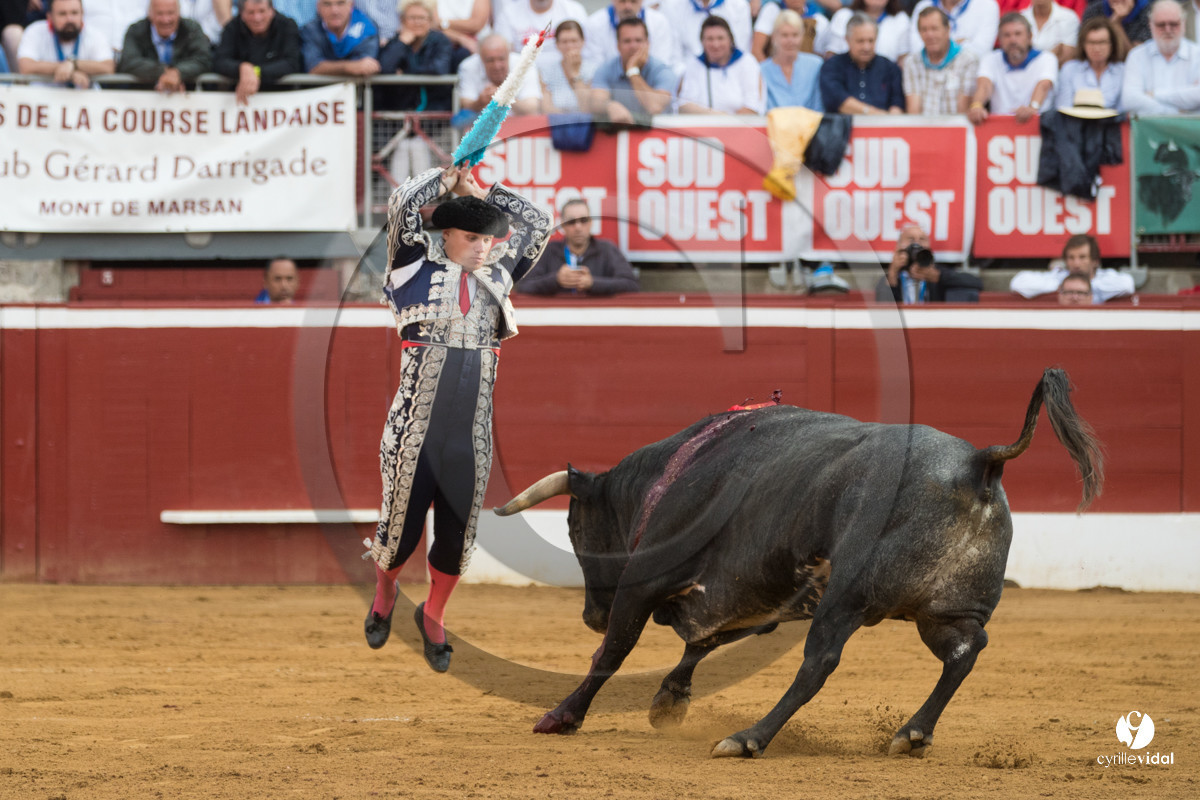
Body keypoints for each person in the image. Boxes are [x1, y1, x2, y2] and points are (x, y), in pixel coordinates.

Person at [364, 163, 552, 673]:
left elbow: (539, 224)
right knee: (400, 534)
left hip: (470, 436)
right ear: (445, 235)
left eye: (489, 239)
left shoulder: (499, 276)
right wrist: (444, 178)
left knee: (455, 534)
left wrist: (486, 190)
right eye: (472, 237)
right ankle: (385, 593)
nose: (483, 246)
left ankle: (434, 614)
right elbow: (403, 203)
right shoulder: (409, 266)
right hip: (412, 430)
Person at [519, 199, 640, 296]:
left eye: (583, 220)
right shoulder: (548, 251)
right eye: (571, 222)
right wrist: (556, 280)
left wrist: (593, 283)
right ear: (563, 225)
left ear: (591, 222)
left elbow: (631, 285)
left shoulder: (607, 249)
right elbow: (524, 287)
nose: (578, 227)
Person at [967, 12, 1058, 123]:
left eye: (1018, 34)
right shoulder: (990, 59)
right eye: (1007, 35)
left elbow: (1043, 85)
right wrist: (977, 106)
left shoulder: (1046, 58)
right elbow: (984, 85)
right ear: (999, 39)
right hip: (1000, 128)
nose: (1013, 40)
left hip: (1038, 127)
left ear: (1030, 37)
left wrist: (1032, 107)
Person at [214, 0, 304, 105]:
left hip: (281, 99)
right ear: (242, 14)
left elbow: (292, 63)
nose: (257, 18)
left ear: (272, 11)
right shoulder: (232, 27)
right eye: (251, 12)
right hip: (240, 102)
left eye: (262, 11)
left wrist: (255, 72)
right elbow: (219, 61)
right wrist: (241, 68)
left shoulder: (287, 26)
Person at [589, 16, 676, 121]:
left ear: (647, 44)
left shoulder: (662, 71)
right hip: (620, 132)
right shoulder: (605, 69)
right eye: (627, 41)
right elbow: (595, 102)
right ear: (618, 46)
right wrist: (609, 105)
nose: (633, 46)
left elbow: (654, 107)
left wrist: (633, 71)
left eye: (638, 40)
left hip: (659, 134)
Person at [1121, 0, 1200, 112]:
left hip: (1190, 129)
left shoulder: (1197, 54)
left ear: (1184, 23)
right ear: (1150, 24)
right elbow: (1130, 100)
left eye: (1173, 24)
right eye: (1161, 25)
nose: (1168, 30)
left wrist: (1155, 95)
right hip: (1149, 128)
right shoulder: (1137, 56)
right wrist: (1175, 113)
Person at [678, 14, 765, 114]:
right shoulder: (694, 64)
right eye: (710, 39)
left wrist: (725, 122)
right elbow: (684, 106)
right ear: (702, 41)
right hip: (701, 126)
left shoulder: (747, 62)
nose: (715, 44)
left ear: (730, 40)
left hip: (741, 127)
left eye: (720, 38)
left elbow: (752, 107)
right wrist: (716, 116)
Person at [818, 13, 905, 114]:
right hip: (842, 128)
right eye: (860, 41)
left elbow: (897, 104)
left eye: (871, 41)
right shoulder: (833, 66)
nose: (866, 47)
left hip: (883, 128)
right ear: (847, 39)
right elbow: (837, 100)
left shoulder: (890, 68)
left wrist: (890, 121)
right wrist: (875, 114)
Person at [118, 0, 213, 91]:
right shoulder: (136, 31)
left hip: (186, 99)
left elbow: (203, 59)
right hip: (142, 99)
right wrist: (164, 73)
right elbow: (128, 61)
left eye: (170, 13)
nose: (165, 19)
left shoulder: (192, 29)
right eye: (160, 13)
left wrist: (178, 73)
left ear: (179, 13)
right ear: (150, 14)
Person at [875, 223, 983, 303]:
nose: (917, 243)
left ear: (929, 247)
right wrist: (893, 273)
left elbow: (976, 283)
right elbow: (881, 303)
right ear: (898, 246)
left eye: (922, 239)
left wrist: (939, 277)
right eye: (911, 239)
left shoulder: (936, 273)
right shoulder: (893, 277)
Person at [377, 0, 454, 110]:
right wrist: (401, 43)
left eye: (422, 18)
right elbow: (384, 67)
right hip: (400, 109)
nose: (417, 22)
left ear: (430, 20)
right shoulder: (396, 41)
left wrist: (406, 73)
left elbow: (439, 68)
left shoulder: (440, 41)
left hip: (434, 108)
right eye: (412, 18)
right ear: (402, 20)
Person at [1010, 233, 1134, 302]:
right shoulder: (1058, 277)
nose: (1076, 263)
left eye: (1082, 257)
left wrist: (1088, 287)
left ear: (1095, 261)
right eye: (1071, 257)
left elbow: (1127, 284)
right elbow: (1018, 283)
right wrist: (1062, 287)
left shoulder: (1105, 277)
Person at [17, 0, 114, 87]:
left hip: (86, 102)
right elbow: (25, 66)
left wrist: (74, 64)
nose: (69, 19)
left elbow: (108, 67)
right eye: (62, 14)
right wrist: (67, 70)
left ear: (82, 14)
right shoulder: (35, 31)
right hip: (43, 101)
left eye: (74, 13)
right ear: (50, 16)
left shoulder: (95, 34)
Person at [904, 5, 980, 113]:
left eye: (934, 28)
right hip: (923, 128)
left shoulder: (968, 60)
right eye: (924, 30)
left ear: (947, 29)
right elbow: (913, 111)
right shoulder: (912, 62)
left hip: (955, 128)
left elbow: (963, 112)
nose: (929, 35)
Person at [582, 0, 677, 75]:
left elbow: (661, 65)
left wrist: (633, 72)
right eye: (622, 1)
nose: (628, 6)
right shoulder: (594, 23)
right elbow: (595, 68)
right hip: (608, 86)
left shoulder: (659, 21)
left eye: (633, 1)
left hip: (648, 84)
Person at [456, 33, 542, 117]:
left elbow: (531, 108)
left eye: (501, 59)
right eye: (490, 60)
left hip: (520, 126)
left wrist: (504, 97)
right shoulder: (468, 66)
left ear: (509, 54)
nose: (497, 66)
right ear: (480, 57)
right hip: (483, 128)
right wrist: (479, 102)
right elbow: (466, 105)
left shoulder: (525, 64)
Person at [1056, 15, 1127, 110]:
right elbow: (1063, 107)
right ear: (1083, 44)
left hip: (1111, 122)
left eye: (1102, 42)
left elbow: (1123, 110)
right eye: (1091, 42)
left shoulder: (1123, 71)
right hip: (1075, 121)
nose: (1096, 48)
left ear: (1112, 44)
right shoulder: (1069, 70)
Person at [492, 0, 587, 70]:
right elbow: (504, 52)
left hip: (566, 71)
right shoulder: (508, 13)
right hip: (525, 73)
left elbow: (585, 49)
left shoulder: (574, 10)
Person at [761, 8, 824, 109]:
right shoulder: (761, 70)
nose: (790, 41)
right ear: (774, 37)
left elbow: (819, 106)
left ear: (802, 36)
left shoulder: (816, 65)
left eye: (795, 35)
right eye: (784, 35)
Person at [301, 0, 380, 74]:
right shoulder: (309, 30)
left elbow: (365, 66)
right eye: (327, 4)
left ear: (351, 5)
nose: (334, 11)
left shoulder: (367, 28)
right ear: (318, 7)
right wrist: (348, 67)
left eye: (341, 3)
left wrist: (327, 67)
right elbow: (313, 67)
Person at [660, 0, 752, 63]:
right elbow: (674, 58)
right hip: (689, 77)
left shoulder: (739, 5)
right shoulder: (671, 6)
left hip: (729, 75)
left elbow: (740, 51)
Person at [822, 0, 911, 63]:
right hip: (845, 81)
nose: (866, 47)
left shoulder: (900, 19)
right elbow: (831, 57)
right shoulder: (843, 16)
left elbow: (902, 60)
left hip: (883, 83)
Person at [907, 0, 1001, 57]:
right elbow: (916, 50)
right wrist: (961, 43)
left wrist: (938, 46)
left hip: (970, 81)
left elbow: (980, 52)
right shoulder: (923, 6)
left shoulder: (987, 5)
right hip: (930, 77)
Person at [539, 19, 596, 112]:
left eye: (574, 41)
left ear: (582, 42)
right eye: (564, 42)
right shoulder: (547, 71)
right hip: (558, 123)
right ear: (557, 44)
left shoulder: (593, 69)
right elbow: (546, 108)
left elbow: (588, 108)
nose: (569, 46)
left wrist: (575, 74)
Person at [752, 0, 829, 61]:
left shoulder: (820, 21)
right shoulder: (772, 10)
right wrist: (770, 74)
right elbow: (756, 50)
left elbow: (820, 56)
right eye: (785, 35)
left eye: (795, 35)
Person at [1082, 0, 1152, 46]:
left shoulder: (1149, 13)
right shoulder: (1094, 11)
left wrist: (1117, 24)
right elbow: (1088, 49)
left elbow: (1137, 57)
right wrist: (1114, 21)